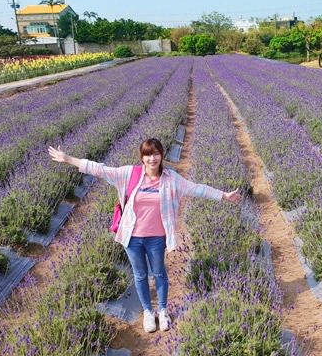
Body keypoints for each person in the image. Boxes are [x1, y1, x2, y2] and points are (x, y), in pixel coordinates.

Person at [48, 138, 242, 333]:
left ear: (162, 156)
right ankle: (148, 312)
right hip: (132, 238)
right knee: (140, 275)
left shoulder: (170, 178)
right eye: (148, 154)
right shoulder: (129, 174)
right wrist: (68, 159)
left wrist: (224, 195)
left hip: (157, 238)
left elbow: (196, 188)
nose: (152, 158)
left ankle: (163, 310)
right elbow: (99, 169)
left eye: (156, 153)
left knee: (159, 273)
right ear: (142, 157)